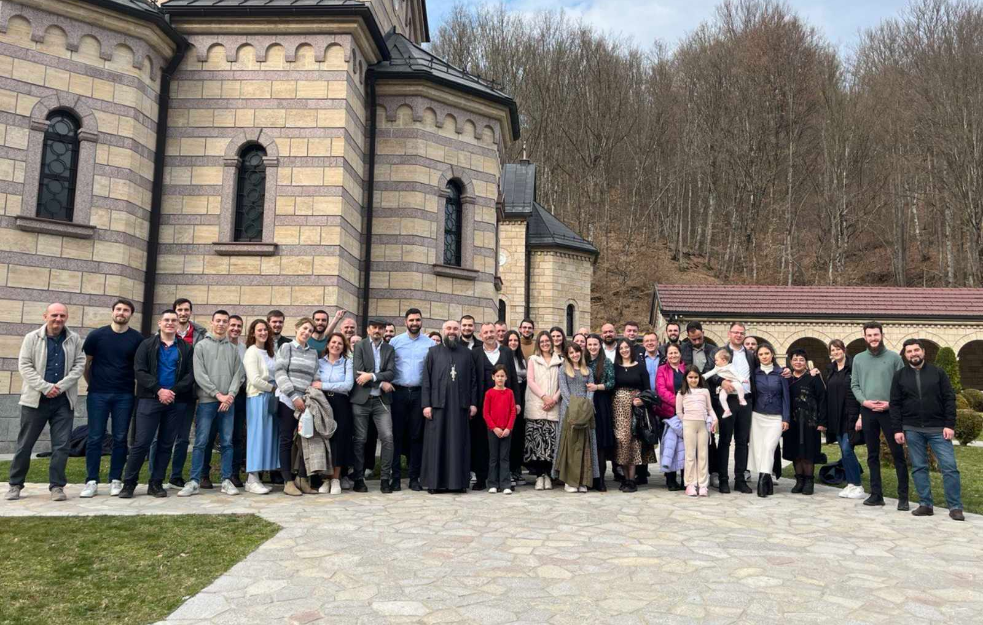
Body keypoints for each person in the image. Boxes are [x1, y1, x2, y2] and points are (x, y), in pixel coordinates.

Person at [6, 303, 86, 502]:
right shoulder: (32, 338)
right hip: (35, 401)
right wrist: (45, 387)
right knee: (25, 444)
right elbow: (24, 366)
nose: (58, 319)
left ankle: (57, 486)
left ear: (66, 317)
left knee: (61, 446)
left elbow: (79, 365)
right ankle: (15, 485)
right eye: (54, 315)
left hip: (62, 401)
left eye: (62, 315)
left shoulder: (74, 339)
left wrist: (60, 386)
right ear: (45, 316)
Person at [118, 310, 195, 499]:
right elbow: (140, 371)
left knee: (166, 444)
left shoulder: (185, 348)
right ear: (160, 323)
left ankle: (156, 483)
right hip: (150, 400)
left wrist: (172, 391)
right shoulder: (146, 345)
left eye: (173, 321)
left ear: (178, 325)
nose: (170, 323)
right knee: (142, 443)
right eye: (166, 320)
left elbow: (190, 375)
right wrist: (159, 390)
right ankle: (129, 483)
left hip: (175, 402)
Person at [891, 339, 963, 521]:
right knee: (919, 467)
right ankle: (926, 504)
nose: (913, 354)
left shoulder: (938, 373)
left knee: (949, 467)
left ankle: (955, 507)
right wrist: (897, 429)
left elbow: (949, 399)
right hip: (912, 429)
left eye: (916, 350)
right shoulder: (899, 376)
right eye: (909, 351)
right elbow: (895, 404)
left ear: (923, 352)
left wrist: (949, 425)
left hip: (938, 429)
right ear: (905, 355)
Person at [80, 298, 143, 498]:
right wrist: (92, 383)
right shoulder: (96, 336)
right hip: (98, 393)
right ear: (112, 312)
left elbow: (138, 368)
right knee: (95, 437)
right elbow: (86, 364)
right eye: (118, 309)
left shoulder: (137, 339)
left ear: (130, 315)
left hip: (124, 395)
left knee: (120, 438)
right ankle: (91, 480)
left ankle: (116, 479)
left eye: (125, 310)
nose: (121, 313)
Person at [178, 310, 244, 498]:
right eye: (219, 321)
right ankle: (194, 481)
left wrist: (230, 396)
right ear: (212, 322)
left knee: (227, 442)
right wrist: (218, 394)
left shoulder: (232, 349)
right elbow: (199, 375)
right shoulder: (201, 347)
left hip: (228, 404)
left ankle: (226, 480)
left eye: (225, 321)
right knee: (201, 442)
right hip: (208, 402)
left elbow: (238, 375)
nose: (222, 324)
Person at [851, 321, 908, 509]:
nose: (873, 338)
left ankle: (903, 498)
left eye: (876, 335)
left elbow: (902, 386)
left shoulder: (894, 358)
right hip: (868, 411)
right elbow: (855, 385)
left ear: (881, 335)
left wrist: (890, 404)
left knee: (897, 453)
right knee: (872, 454)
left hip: (890, 411)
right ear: (865, 337)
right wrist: (864, 401)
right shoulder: (858, 359)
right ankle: (876, 495)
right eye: (869, 335)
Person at [151, 297, 204, 488]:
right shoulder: (158, 336)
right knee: (158, 437)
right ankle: (154, 475)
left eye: (186, 310)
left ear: (190, 312)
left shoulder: (200, 334)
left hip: (186, 393)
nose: (182, 313)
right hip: (160, 394)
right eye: (179, 310)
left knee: (182, 437)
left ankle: (175, 475)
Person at [421, 320, 477, 493]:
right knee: (437, 444)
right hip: (437, 407)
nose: (452, 331)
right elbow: (426, 381)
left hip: (460, 407)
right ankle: (435, 483)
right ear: (443, 330)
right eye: (449, 328)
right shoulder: (432, 352)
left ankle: (458, 483)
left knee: (458, 444)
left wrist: (474, 403)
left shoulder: (467, 354)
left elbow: (473, 381)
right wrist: (426, 405)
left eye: (455, 329)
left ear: (459, 331)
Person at [272, 317, 320, 496]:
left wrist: (309, 399)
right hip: (288, 401)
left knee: (304, 440)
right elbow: (280, 372)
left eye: (310, 330)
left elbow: (315, 378)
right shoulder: (287, 347)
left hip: (306, 404)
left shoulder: (313, 353)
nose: (307, 332)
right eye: (304, 328)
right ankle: (288, 481)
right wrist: (293, 396)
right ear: (297, 328)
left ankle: (302, 478)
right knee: (286, 440)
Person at [471, 323, 521, 491]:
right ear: (481, 335)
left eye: (492, 331)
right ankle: (481, 478)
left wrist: (517, 402)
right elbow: (473, 380)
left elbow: (513, 377)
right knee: (481, 443)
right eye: (486, 332)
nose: (489, 335)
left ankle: (505, 479)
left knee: (505, 445)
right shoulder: (475, 353)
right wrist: (472, 403)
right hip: (482, 406)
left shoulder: (506, 352)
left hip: (504, 405)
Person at [351, 318, 396, 493]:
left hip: (381, 402)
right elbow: (358, 372)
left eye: (381, 328)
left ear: (385, 331)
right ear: (368, 329)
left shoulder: (389, 349)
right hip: (361, 400)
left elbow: (391, 373)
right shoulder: (360, 346)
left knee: (387, 438)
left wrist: (373, 378)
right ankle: (358, 478)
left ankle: (385, 479)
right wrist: (380, 382)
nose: (377, 331)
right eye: (374, 327)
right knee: (360, 440)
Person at [708, 322, 754, 494]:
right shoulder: (719, 353)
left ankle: (740, 480)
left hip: (745, 401)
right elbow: (708, 373)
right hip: (727, 401)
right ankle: (723, 480)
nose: (739, 335)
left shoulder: (750, 355)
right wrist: (721, 381)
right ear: (729, 334)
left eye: (741, 333)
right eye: (735, 332)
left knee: (743, 441)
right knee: (725, 441)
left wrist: (783, 370)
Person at [389, 308, 432, 492]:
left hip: (418, 393)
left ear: (421, 322)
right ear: (405, 321)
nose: (415, 323)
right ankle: (396, 478)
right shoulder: (395, 342)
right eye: (411, 320)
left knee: (416, 436)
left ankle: (414, 478)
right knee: (396, 436)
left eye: (418, 320)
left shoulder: (430, 344)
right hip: (398, 392)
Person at [552, 342, 597, 493]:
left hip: (585, 411)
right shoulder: (563, 370)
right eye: (571, 353)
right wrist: (574, 408)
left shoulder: (588, 370)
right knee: (570, 445)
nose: (575, 355)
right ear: (567, 355)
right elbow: (564, 391)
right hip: (569, 410)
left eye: (577, 352)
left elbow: (591, 390)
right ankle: (569, 481)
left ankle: (582, 480)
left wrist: (586, 406)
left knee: (585, 446)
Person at [242, 319, 280, 495]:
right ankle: (251, 478)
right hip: (258, 397)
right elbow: (254, 379)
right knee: (256, 437)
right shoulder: (251, 352)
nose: (263, 333)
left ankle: (259, 477)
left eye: (265, 330)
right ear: (253, 333)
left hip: (272, 398)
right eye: (259, 330)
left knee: (268, 437)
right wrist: (274, 388)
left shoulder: (271, 352)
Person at [824, 340, 866, 500]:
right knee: (844, 450)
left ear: (844, 350)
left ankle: (858, 485)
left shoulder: (854, 368)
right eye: (833, 350)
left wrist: (861, 416)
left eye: (838, 349)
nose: (836, 352)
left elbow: (862, 391)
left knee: (848, 449)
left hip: (851, 415)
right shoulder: (831, 370)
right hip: (836, 416)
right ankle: (850, 484)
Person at [313, 332, 354, 495]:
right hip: (323, 403)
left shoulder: (347, 363)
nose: (336, 345)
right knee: (324, 440)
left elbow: (347, 386)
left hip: (340, 404)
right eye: (333, 342)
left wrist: (323, 385)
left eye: (340, 344)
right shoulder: (319, 362)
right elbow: (313, 382)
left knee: (339, 440)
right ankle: (326, 479)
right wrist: (324, 386)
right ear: (328, 344)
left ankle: (336, 478)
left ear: (343, 347)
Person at [612, 338, 654, 493]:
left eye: (626, 347)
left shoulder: (640, 367)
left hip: (635, 409)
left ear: (631, 349)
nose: (624, 350)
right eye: (621, 348)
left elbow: (647, 389)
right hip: (618, 409)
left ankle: (632, 479)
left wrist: (641, 401)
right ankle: (625, 478)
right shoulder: (615, 367)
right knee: (621, 441)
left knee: (634, 441)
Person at [784, 349, 826, 495]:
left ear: (806, 362)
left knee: (808, 452)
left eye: (801, 360)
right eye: (795, 360)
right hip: (792, 422)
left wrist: (822, 421)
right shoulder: (787, 379)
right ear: (791, 362)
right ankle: (799, 480)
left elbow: (822, 399)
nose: (798, 362)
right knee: (796, 451)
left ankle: (809, 481)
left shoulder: (813, 377)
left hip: (810, 422)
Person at [749, 343, 789, 498]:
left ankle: (762, 479)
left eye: (767, 353)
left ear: (772, 354)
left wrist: (785, 418)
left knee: (769, 447)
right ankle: (766, 479)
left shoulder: (781, 373)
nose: (764, 356)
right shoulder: (754, 373)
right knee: (760, 449)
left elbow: (786, 397)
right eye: (761, 354)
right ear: (757, 357)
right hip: (758, 415)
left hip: (776, 417)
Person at [525, 331, 562, 490]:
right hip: (537, 405)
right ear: (538, 343)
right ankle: (539, 476)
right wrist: (544, 397)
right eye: (542, 341)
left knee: (550, 444)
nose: (546, 343)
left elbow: (563, 383)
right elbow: (530, 381)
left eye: (548, 341)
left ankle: (548, 474)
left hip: (554, 406)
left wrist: (554, 399)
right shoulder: (533, 359)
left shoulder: (560, 360)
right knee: (536, 444)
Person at [676, 366, 717, 497]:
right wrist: (686, 421)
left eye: (695, 377)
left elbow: (709, 408)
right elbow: (678, 412)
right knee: (690, 455)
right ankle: (690, 484)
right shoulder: (682, 392)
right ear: (686, 378)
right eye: (690, 377)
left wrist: (714, 419)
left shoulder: (704, 391)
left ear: (699, 378)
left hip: (703, 425)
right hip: (689, 424)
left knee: (703, 455)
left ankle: (703, 484)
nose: (693, 380)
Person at [586, 334, 615, 492]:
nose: (592, 347)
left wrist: (597, 387)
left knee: (600, 444)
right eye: (589, 344)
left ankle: (601, 480)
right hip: (586, 403)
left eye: (595, 344)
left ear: (600, 345)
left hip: (601, 402)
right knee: (588, 442)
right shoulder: (584, 361)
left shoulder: (606, 362)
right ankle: (588, 478)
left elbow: (611, 383)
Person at [656, 343, 687, 491]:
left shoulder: (686, 369)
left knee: (685, 447)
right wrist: (678, 403)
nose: (673, 356)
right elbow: (661, 390)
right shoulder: (662, 370)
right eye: (670, 353)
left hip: (687, 412)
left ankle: (686, 478)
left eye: (675, 353)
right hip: (669, 412)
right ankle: (671, 479)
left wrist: (686, 404)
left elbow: (693, 386)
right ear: (666, 355)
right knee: (670, 445)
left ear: (680, 354)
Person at [483, 364, 517, 494]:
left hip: (506, 430)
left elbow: (513, 411)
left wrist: (508, 428)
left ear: (506, 377)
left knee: (504, 457)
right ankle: (492, 483)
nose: (500, 378)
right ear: (493, 377)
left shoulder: (509, 393)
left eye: (502, 376)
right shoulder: (489, 393)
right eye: (497, 376)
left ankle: (505, 484)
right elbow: (486, 413)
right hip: (493, 431)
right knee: (493, 457)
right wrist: (494, 428)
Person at [505, 330, 528, 486]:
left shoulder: (522, 360)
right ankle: (506, 469)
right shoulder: (502, 357)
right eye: (510, 340)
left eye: (515, 340)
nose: (513, 342)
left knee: (519, 433)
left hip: (520, 394)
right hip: (506, 394)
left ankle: (516, 468)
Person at [703, 349, 747, 418]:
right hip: (723, 386)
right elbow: (710, 373)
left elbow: (736, 374)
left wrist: (742, 379)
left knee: (739, 386)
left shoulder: (730, 366)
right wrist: (703, 377)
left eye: (716, 360)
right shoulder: (717, 368)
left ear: (723, 360)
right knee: (722, 397)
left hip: (734, 381)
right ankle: (727, 410)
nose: (715, 362)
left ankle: (741, 399)